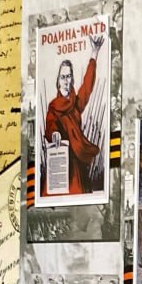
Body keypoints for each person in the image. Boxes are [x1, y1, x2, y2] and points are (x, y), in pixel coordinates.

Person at [43, 33, 104, 195]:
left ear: (72, 79)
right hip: (59, 163)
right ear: (58, 80)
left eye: (69, 76)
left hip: (76, 166)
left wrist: (94, 54)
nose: (66, 80)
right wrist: (55, 133)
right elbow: (50, 125)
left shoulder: (76, 103)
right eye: (63, 77)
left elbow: (87, 86)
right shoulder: (53, 106)